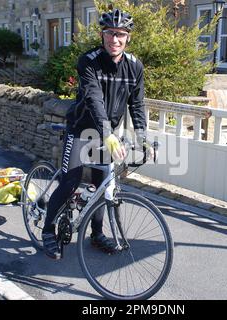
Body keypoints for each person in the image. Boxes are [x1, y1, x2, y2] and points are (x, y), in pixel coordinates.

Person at [41, 8, 152, 259]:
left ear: (128, 37)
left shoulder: (135, 67)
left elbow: (137, 104)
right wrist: (107, 133)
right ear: (102, 35)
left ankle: (97, 234)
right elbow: (93, 99)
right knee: (70, 181)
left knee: (102, 184)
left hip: (106, 133)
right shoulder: (88, 61)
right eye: (110, 33)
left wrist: (142, 137)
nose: (115, 39)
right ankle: (48, 231)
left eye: (121, 34)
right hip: (81, 129)